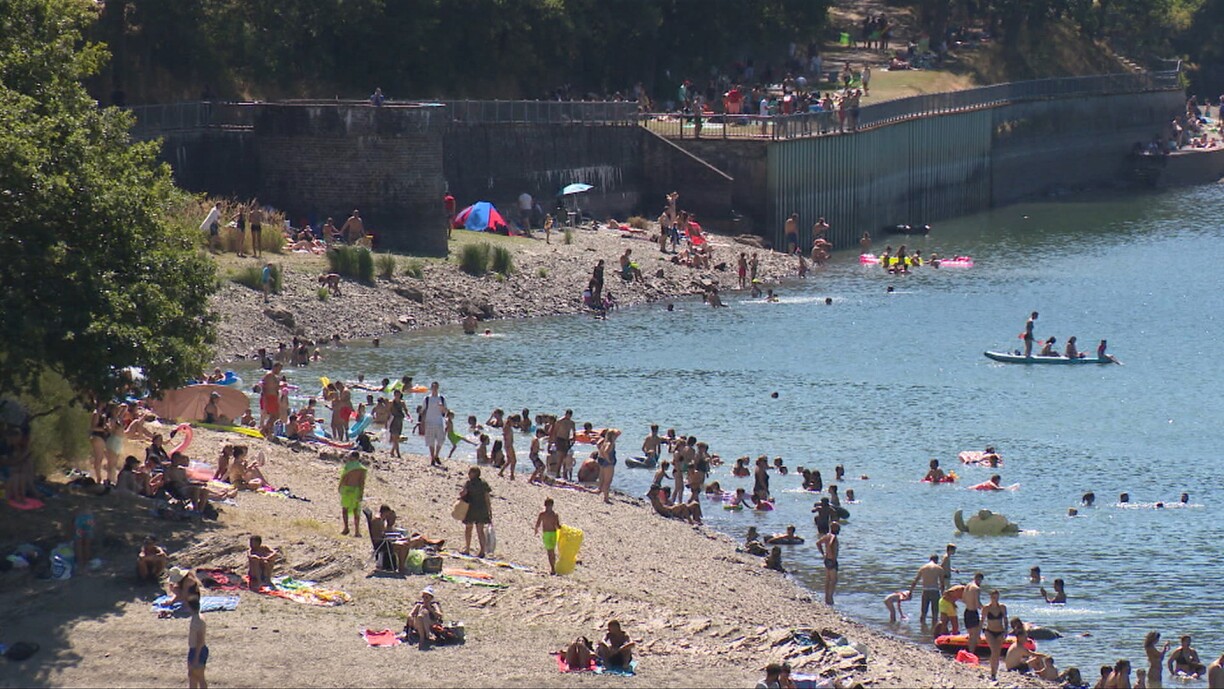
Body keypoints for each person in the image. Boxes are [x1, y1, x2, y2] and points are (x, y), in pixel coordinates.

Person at [460, 467, 492, 557]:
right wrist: (489, 510)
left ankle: (467, 548)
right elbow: (487, 498)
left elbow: (463, 493)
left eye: (470, 473)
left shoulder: (469, 484)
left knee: (468, 529)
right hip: (482, 509)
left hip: (471, 508)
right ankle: (482, 551)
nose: (469, 474)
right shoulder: (484, 483)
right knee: (480, 530)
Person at [982, 590, 1009, 680]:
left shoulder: (1002, 607)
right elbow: (982, 621)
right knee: (993, 651)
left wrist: (1006, 630)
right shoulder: (986, 608)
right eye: (994, 597)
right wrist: (978, 634)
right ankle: (992, 672)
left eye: (997, 597)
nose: (995, 599)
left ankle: (994, 672)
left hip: (1000, 632)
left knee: (997, 653)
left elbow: (1005, 619)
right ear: (990, 597)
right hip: (989, 632)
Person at [909, 555, 944, 624]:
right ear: (936, 560)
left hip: (925, 591)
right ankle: (934, 629)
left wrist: (911, 591)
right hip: (935, 591)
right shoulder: (939, 568)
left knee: (923, 612)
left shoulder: (923, 568)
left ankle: (922, 627)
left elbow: (915, 581)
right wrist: (943, 595)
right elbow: (942, 584)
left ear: (930, 559)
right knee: (935, 613)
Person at [338, 453, 367, 537]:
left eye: (350, 456)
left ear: (354, 457)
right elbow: (362, 482)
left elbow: (344, 478)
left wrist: (340, 487)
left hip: (347, 489)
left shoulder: (348, 466)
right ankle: (357, 531)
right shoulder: (362, 468)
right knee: (356, 510)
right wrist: (361, 493)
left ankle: (346, 528)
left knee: (345, 509)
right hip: (356, 490)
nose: (349, 458)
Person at [421, 381, 448, 467]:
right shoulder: (427, 399)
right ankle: (432, 458)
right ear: (431, 388)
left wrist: (442, 407)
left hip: (439, 421)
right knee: (431, 441)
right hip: (429, 422)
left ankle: (436, 455)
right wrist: (422, 422)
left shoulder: (442, 398)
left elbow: (446, 411)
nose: (435, 389)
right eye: (433, 387)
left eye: (436, 387)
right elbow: (423, 411)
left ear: (438, 388)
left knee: (441, 440)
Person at [815, 521, 840, 604]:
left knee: (827, 579)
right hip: (832, 560)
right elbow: (831, 543)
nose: (839, 529)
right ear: (834, 528)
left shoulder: (826, 536)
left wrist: (823, 553)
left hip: (826, 560)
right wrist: (832, 554)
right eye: (838, 527)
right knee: (833, 580)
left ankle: (826, 598)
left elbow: (818, 543)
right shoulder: (833, 536)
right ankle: (830, 598)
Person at [534, 497, 561, 575]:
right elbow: (557, 525)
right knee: (551, 551)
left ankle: (553, 568)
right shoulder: (554, 515)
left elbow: (538, 524)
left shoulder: (543, 514)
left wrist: (536, 530)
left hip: (549, 534)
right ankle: (553, 568)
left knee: (550, 551)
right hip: (552, 533)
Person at [187, 597, 208, 689]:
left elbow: (199, 639)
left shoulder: (197, 621)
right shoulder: (200, 616)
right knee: (192, 677)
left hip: (197, 650)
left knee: (199, 677)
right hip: (196, 649)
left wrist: (196, 656)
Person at [595, 429, 620, 504]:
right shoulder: (610, 443)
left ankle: (600, 490)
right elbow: (606, 451)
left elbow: (600, 448)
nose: (616, 437)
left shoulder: (604, 442)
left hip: (601, 460)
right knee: (608, 481)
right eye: (615, 435)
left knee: (602, 479)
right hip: (607, 463)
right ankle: (606, 498)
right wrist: (609, 460)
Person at [963, 572, 985, 653]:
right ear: (979, 579)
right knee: (974, 636)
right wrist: (984, 608)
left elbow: (964, 599)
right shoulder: (976, 589)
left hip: (967, 611)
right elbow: (977, 603)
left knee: (971, 635)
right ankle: (971, 652)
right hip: (973, 612)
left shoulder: (967, 586)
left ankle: (970, 651)